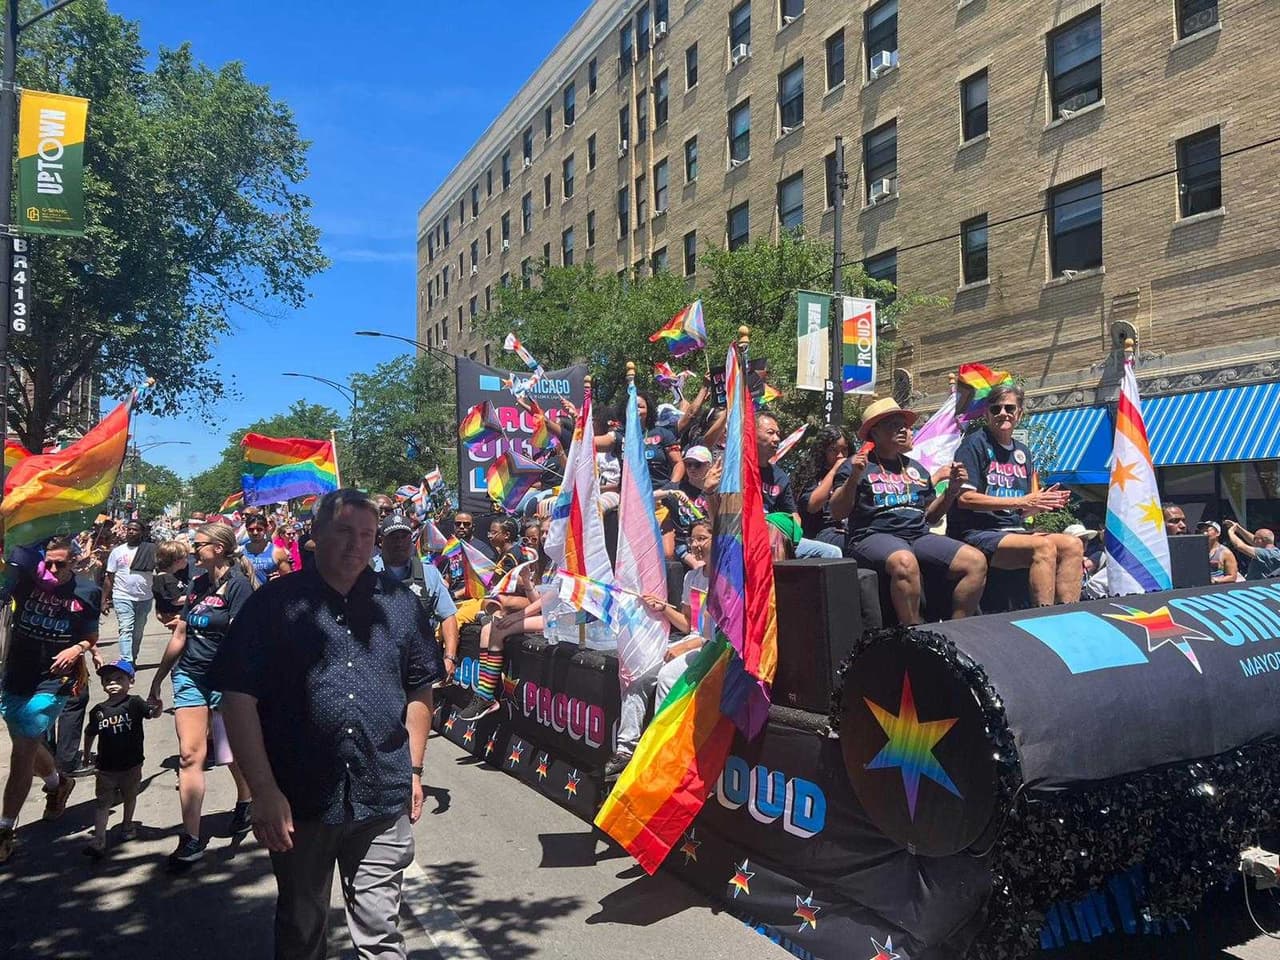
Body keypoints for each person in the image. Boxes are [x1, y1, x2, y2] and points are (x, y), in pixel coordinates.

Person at [212, 489, 444, 960]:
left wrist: (415, 770)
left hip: (381, 795)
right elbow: (237, 698)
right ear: (314, 535)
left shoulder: (400, 604)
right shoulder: (272, 605)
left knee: (381, 934)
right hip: (300, 801)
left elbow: (421, 686)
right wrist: (263, 790)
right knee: (302, 927)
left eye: (367, 534)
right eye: (344, 531)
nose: (358, 544)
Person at [147, 522, 256, 867]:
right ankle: (191, 838)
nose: (193, 550)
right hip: (190, 677)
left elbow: (243, 642)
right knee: (190, 756)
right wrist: (158, 679)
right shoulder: (196, 584)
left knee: (231, 755)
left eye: (199, 544)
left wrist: (235, 687)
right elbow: (181, 631)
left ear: (219, 548)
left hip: (226, 683)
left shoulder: (239, 587)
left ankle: (246, 798)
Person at [829, 398, 986, 623]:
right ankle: (913, 633)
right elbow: (837, 512)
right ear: (875, 432)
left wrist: (951, 491)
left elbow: (931, 515)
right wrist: (854, 477)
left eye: (904, 425)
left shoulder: (915, 468)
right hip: (873, 536)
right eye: (894, 424)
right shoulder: (855, 465)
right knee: (905, 561)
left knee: (975, 561)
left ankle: (957, 630)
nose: (903, 429)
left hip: (917, 535)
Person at [0, 537, 101, 863]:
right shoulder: (25, 582)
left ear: (75, 561)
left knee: (24, 748)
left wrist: (77, 649)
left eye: (62, 563)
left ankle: (4, 831)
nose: (54, 570)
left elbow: (90, 636)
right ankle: (58, 784)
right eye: (49, 563)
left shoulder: (86, 592)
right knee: (24, 740)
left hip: (55, 681)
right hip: (17, 673)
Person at [945, 384, 1082, 606]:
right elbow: (965, 499)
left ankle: (1069, 614)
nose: (1003, 413)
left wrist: (1040, 504)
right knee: (1044, 547)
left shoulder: (1022, 452)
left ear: (1019, 413)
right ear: (986, 413)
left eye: (1009, 408)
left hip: (1013, 530)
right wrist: (1024, 500)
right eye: (995, 409)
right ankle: (1043, 618)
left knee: (1072, 544)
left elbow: (1019, 510)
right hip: (978, 533)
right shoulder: (974, 444)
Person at [82, 660, 157, 859]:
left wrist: (157, 707)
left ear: (130, 682)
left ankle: (127, 825)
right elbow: (90, 733)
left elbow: (152, 714)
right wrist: (87, 753)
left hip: (132, 764)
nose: (113, 683)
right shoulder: (98, 710)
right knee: (102, 803)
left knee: (130, 796)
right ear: (103, 685)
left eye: (119, 679)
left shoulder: (135, 703)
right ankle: (99, 839)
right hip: (105, 767)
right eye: (108, 680)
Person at [373, 513, 460, 682]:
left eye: (404, 537)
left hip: (420, 664)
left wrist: (449, 657)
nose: (399, 542)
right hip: (379, 665)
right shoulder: (367, 572)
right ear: (381, 541)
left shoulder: (429, 573)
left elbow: (448, 616)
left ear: (411, 540)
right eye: (393, 537)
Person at [755, 411, 842, 559]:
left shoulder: (780, 476)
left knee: (832, 552)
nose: (776, 439)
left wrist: (788, 531)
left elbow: (794, 514)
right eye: (770, 433)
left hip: (778, 536)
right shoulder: (737, 470)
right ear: (751, 434)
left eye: (778, 433)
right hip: (746, 536)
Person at [103, 518, 155, 664]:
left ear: (142, 533)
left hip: (144, 598)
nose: (131, 532)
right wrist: (104, 600)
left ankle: (133, 657)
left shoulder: (150, 550)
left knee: (137, 633)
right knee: (126, 629)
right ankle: (126, 662)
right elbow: (109, 577)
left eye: (135, 529)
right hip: (122, 596)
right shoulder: (117, 552)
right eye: (129, 529)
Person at [795, 425, 852, 549]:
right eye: (833, 450)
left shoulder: (854, 473)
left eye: (845, 450)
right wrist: (835, 470)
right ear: (823, 451)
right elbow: (812, 506)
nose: (840, 456)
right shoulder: (812, 475)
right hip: (823, 532)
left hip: (851, 529)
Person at [152, 539, 191, 630]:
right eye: (185, 558)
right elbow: (175, 600)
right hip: (173, 615)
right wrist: (196, 597)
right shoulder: (167, 579)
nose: (187, 560)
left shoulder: (169, 577)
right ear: (177, 561)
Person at [244, 514, 290, 587]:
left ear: (265, 530)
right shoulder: (240, 552)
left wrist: (279, 579)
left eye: (259, 529)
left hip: (269, 595)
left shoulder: (277, 552)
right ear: (247, 530)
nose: (255, 533)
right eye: (251, 529)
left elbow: (288, 579)